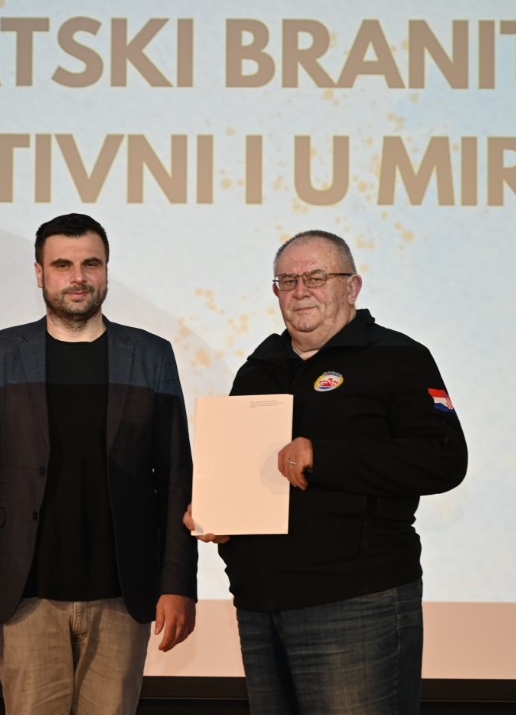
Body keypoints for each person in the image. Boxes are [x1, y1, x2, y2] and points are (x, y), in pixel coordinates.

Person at [186, 230, 467, 714]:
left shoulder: (398, 357)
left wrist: (325, 456)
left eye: (316, 277)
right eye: (287, 280)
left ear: (352, 287)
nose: (300, 291)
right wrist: (216, 510)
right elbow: (240, 470)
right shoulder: (259, 368)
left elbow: (442, 458)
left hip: (356, 603)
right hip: (260, 603)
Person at [0, 213, 197, 715]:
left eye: (91, 264)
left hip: (123, 595)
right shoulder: (0, 353)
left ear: (106, 271)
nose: (78, 277)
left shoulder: (151, 355)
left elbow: (177, 480)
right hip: (26, 595)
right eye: (62, 265)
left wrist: (177, 585)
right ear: (39, 273)